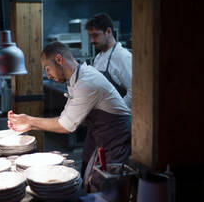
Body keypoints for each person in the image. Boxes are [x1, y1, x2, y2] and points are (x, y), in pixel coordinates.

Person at [8, 41, 131, 191]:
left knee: (107, 190)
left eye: (48, 69)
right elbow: (64, 118)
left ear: (59, 59)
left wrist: (29, 120)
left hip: (117, 143)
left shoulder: (86, 81)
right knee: (90, 183)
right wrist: (30, 124)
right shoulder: (77, 79)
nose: (48, 75)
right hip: (103, 140)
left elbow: (66, 126)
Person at [86, 13, 132, 108]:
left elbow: (134, 91)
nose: (91, 40)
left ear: (108, 31)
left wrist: (117, 111)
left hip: (117, 119)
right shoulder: (99, 57)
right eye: (90, 36)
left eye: (95, 35)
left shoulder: (123, 57)